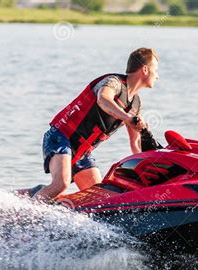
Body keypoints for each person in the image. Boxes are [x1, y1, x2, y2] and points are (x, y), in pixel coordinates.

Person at [28, 48, 159, 201]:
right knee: (61, 183)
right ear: (144, 69)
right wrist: (127, 117)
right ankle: (28, 217)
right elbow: (103, 99)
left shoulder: (136, 104)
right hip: (61, 136)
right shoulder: (113, 82)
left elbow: (136, 143)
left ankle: (37, 194)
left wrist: (148, 172)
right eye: (155, 70)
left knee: (99, 198)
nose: (157, 75)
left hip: (82, 152)